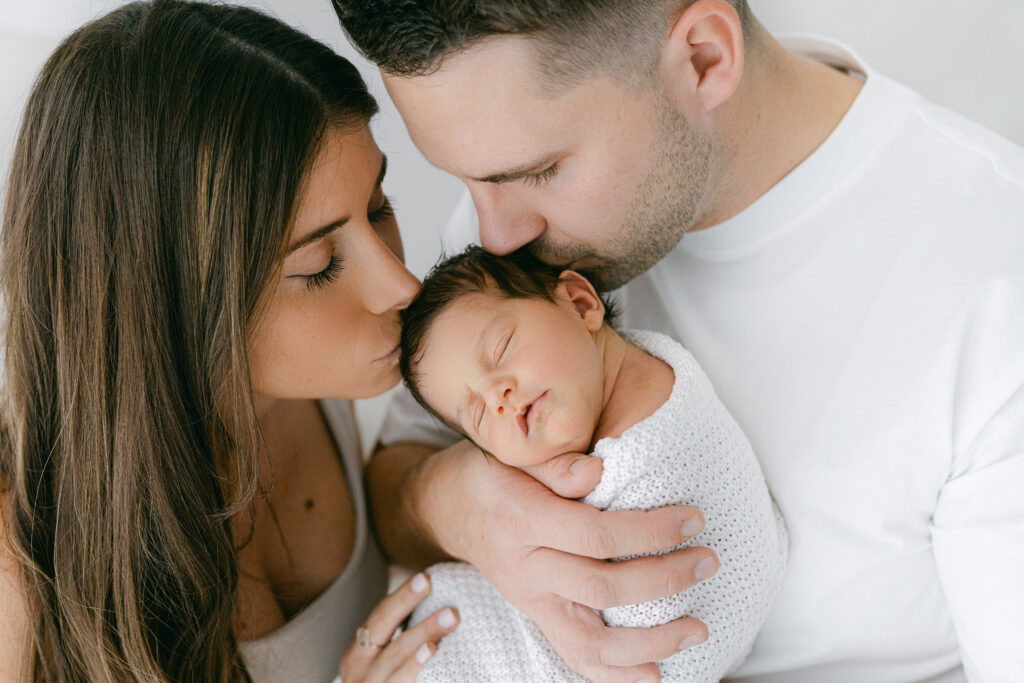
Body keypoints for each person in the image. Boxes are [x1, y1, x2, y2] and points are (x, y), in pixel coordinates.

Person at [332, 1, 1024, 681]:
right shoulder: (513, 236)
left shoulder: (993, 288)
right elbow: (397, 480)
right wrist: (454, 503)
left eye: (535, 172)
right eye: (467, 180)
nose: (494, 233)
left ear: (704, 59)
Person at [0, 2, 460, 681]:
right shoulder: (22, 579)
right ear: (172, 304)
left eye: (378, 206)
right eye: (317, 266)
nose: (399, 282)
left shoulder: (319, 383)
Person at [396, 246, 786, 682]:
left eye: (502, 349)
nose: (497, 396)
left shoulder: (661, 435)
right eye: (478, 415)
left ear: (581, 305)